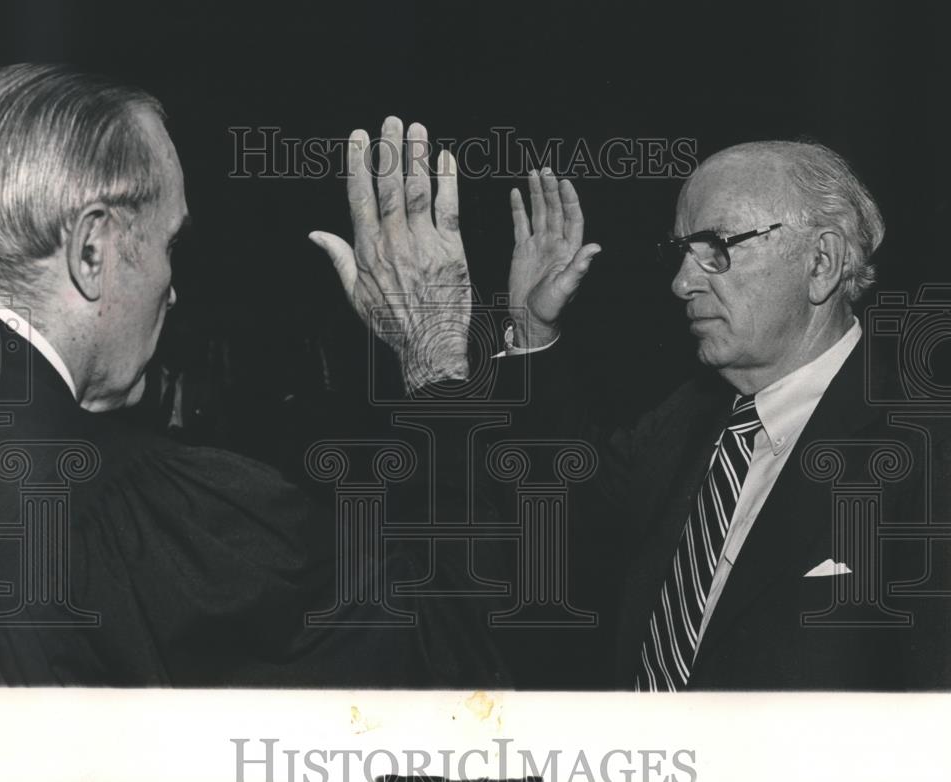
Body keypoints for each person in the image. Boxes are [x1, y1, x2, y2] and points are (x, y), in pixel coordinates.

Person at [315, 127, 951, 690]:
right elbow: (555, 504)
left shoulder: (925, 455)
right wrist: (531, 332)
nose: (681, 283)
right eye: (679, 251)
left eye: (717, 248)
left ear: (822, 262)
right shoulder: (691, 420)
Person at [0, 64, 502, 686]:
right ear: (91, 250)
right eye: (169, 244)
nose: (173, 290)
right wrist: (437, 365)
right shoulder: (138, 516)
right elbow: (446, 660)